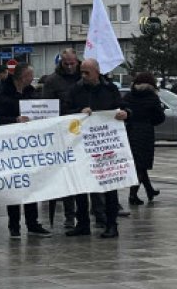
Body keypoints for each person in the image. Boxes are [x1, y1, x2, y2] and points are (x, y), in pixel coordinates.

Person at [62, 58, 129, 238]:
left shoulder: (110, 89)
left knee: (109, 186)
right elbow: (64, 111)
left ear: (97, 72)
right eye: (81, 72)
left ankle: (111, 224)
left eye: (87, 72)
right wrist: (78, 112)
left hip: (104, 144)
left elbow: (122, 108)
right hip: (83, 144)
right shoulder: (76, 89)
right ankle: (83, 223)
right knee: (82, 186)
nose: (83, 76)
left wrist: (125, 113)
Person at [0, 62, 52, 238]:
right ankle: (14, 224)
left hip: (29, 146)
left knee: (31, 184)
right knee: (14, 186)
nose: (32, 78)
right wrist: (15, 120)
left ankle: (32, 223)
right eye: (30, 75)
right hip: (10, 146)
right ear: (21, 76)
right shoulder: (1, 92)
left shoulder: (31, 93)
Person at [41, 49, 81, 228]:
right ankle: (69, 215)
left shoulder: (83, 77)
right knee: (67, 175)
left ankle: (93, 212)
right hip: (62, 134)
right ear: (61, 63)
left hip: (82, 134)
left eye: (73, 63)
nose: (70, 67)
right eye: (67, 64)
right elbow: (46, 108)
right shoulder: (52, 81)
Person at [123, 72, 165, 205]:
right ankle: (133, 195)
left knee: (139, 164)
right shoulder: (152, 97)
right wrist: (150, 121)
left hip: (130, 131)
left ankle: (149, 190)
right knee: (141, 165)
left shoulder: (129, 96)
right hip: (145, 132)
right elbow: (160, 117)